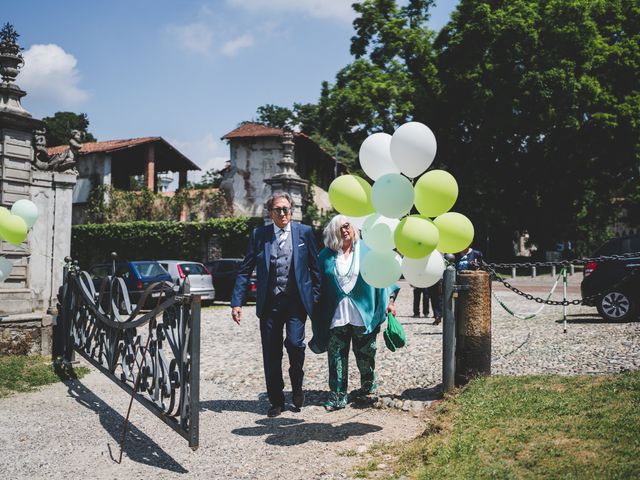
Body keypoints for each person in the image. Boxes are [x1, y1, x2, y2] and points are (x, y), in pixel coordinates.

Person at [230, 192, 321, 418]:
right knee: (271, 353)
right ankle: (276, 400)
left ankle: (297, 387)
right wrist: (237, 302)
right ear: (270, 213)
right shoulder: (259, 235)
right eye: (278, 209)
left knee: (295, 344)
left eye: (286, 209)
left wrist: (315, 297)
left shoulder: (305, 233)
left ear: (292, 210)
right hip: (269, 303)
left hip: (296, 303)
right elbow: (245, 269)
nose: (283, 213)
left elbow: (315, 268)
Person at [309, 215, 398, 411]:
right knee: (336, 356)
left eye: (347, 225)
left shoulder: (368, 250)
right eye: (339, 228)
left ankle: (367, 388)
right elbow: (316, 284)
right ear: (333, 232)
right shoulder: (325, 255)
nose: (344, 230)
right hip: (336, 315)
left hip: (363, 313)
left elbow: (384, 274)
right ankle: (338, 394)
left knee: (366, 354)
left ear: (353, 227)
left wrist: (390, 300)